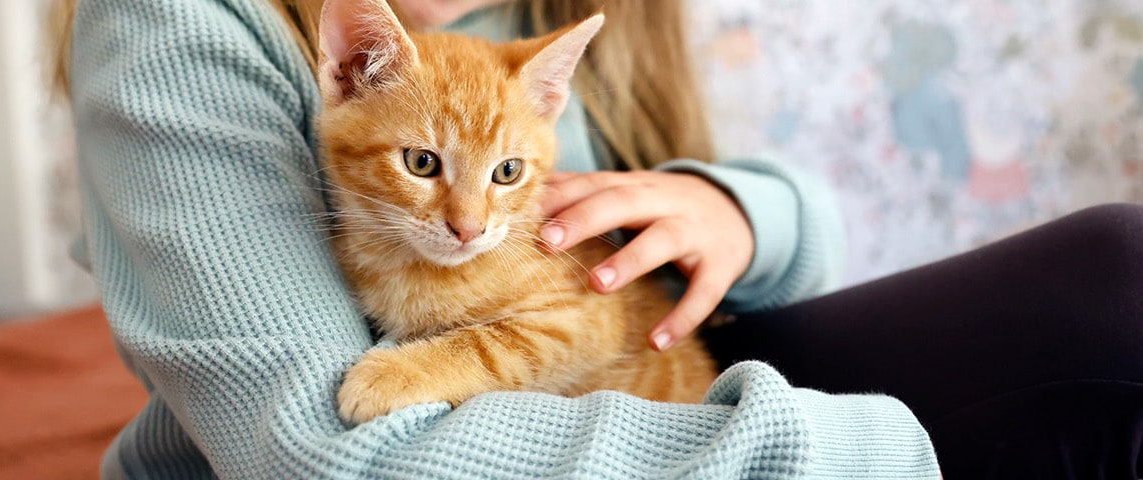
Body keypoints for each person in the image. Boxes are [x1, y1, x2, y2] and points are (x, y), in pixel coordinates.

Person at [56, 0, 1141, 478]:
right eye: (429, 171)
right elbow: (321, 447)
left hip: (632, 389)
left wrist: (740, 210)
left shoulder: (553, 36)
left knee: (1114, 273)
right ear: (347, 69)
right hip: (428, 458)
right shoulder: (184, 24)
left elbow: (678, 287)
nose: (469, 221)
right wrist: (885, 457)